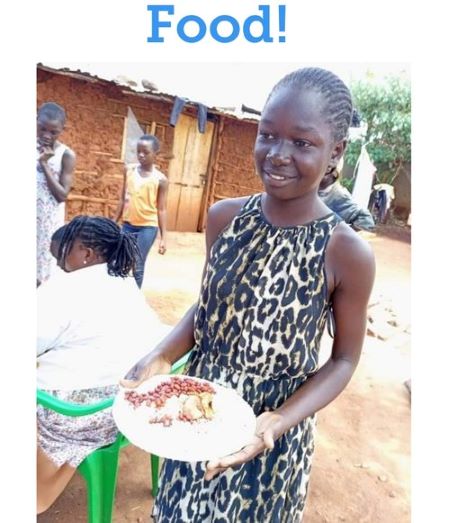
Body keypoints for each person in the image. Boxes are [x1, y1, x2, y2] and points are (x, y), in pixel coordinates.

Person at [122, 67, 376, 522]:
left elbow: (343, 359)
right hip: (199, 416)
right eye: (268, 135)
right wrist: (162, 355)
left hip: (272, 434)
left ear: (335, 151)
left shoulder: (345, 251)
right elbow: (210, 306)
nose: (277, 154)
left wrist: (278, 420)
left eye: (302, 142)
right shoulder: (224, 219)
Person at [37, 216, 169, 514]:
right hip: (126, 409)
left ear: (85, 253)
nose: (58, 266)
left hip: (74, 416)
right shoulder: (124, 282)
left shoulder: (64, 289)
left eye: (61, 257)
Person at [115, 134, 169, 288]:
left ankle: (134, 297)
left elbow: (161, 209)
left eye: (145, 152)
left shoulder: (161, 180)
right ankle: (119, 292)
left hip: (147, 227)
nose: (141, 155)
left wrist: (164, 238)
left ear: (156, 154)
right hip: (128, 225)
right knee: (121, 259)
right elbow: (122, 199)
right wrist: (113, 221)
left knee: (137, 263)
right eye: (138, 151)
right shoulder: (129, 170)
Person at [37, 101, 76, 286]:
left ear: (62, 130)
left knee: (42, 274)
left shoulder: (65, 155)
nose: (46, 135)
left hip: (47, 224)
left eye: (53, 132)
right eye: (42, 129)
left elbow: (62, 195)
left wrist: (45, 164)